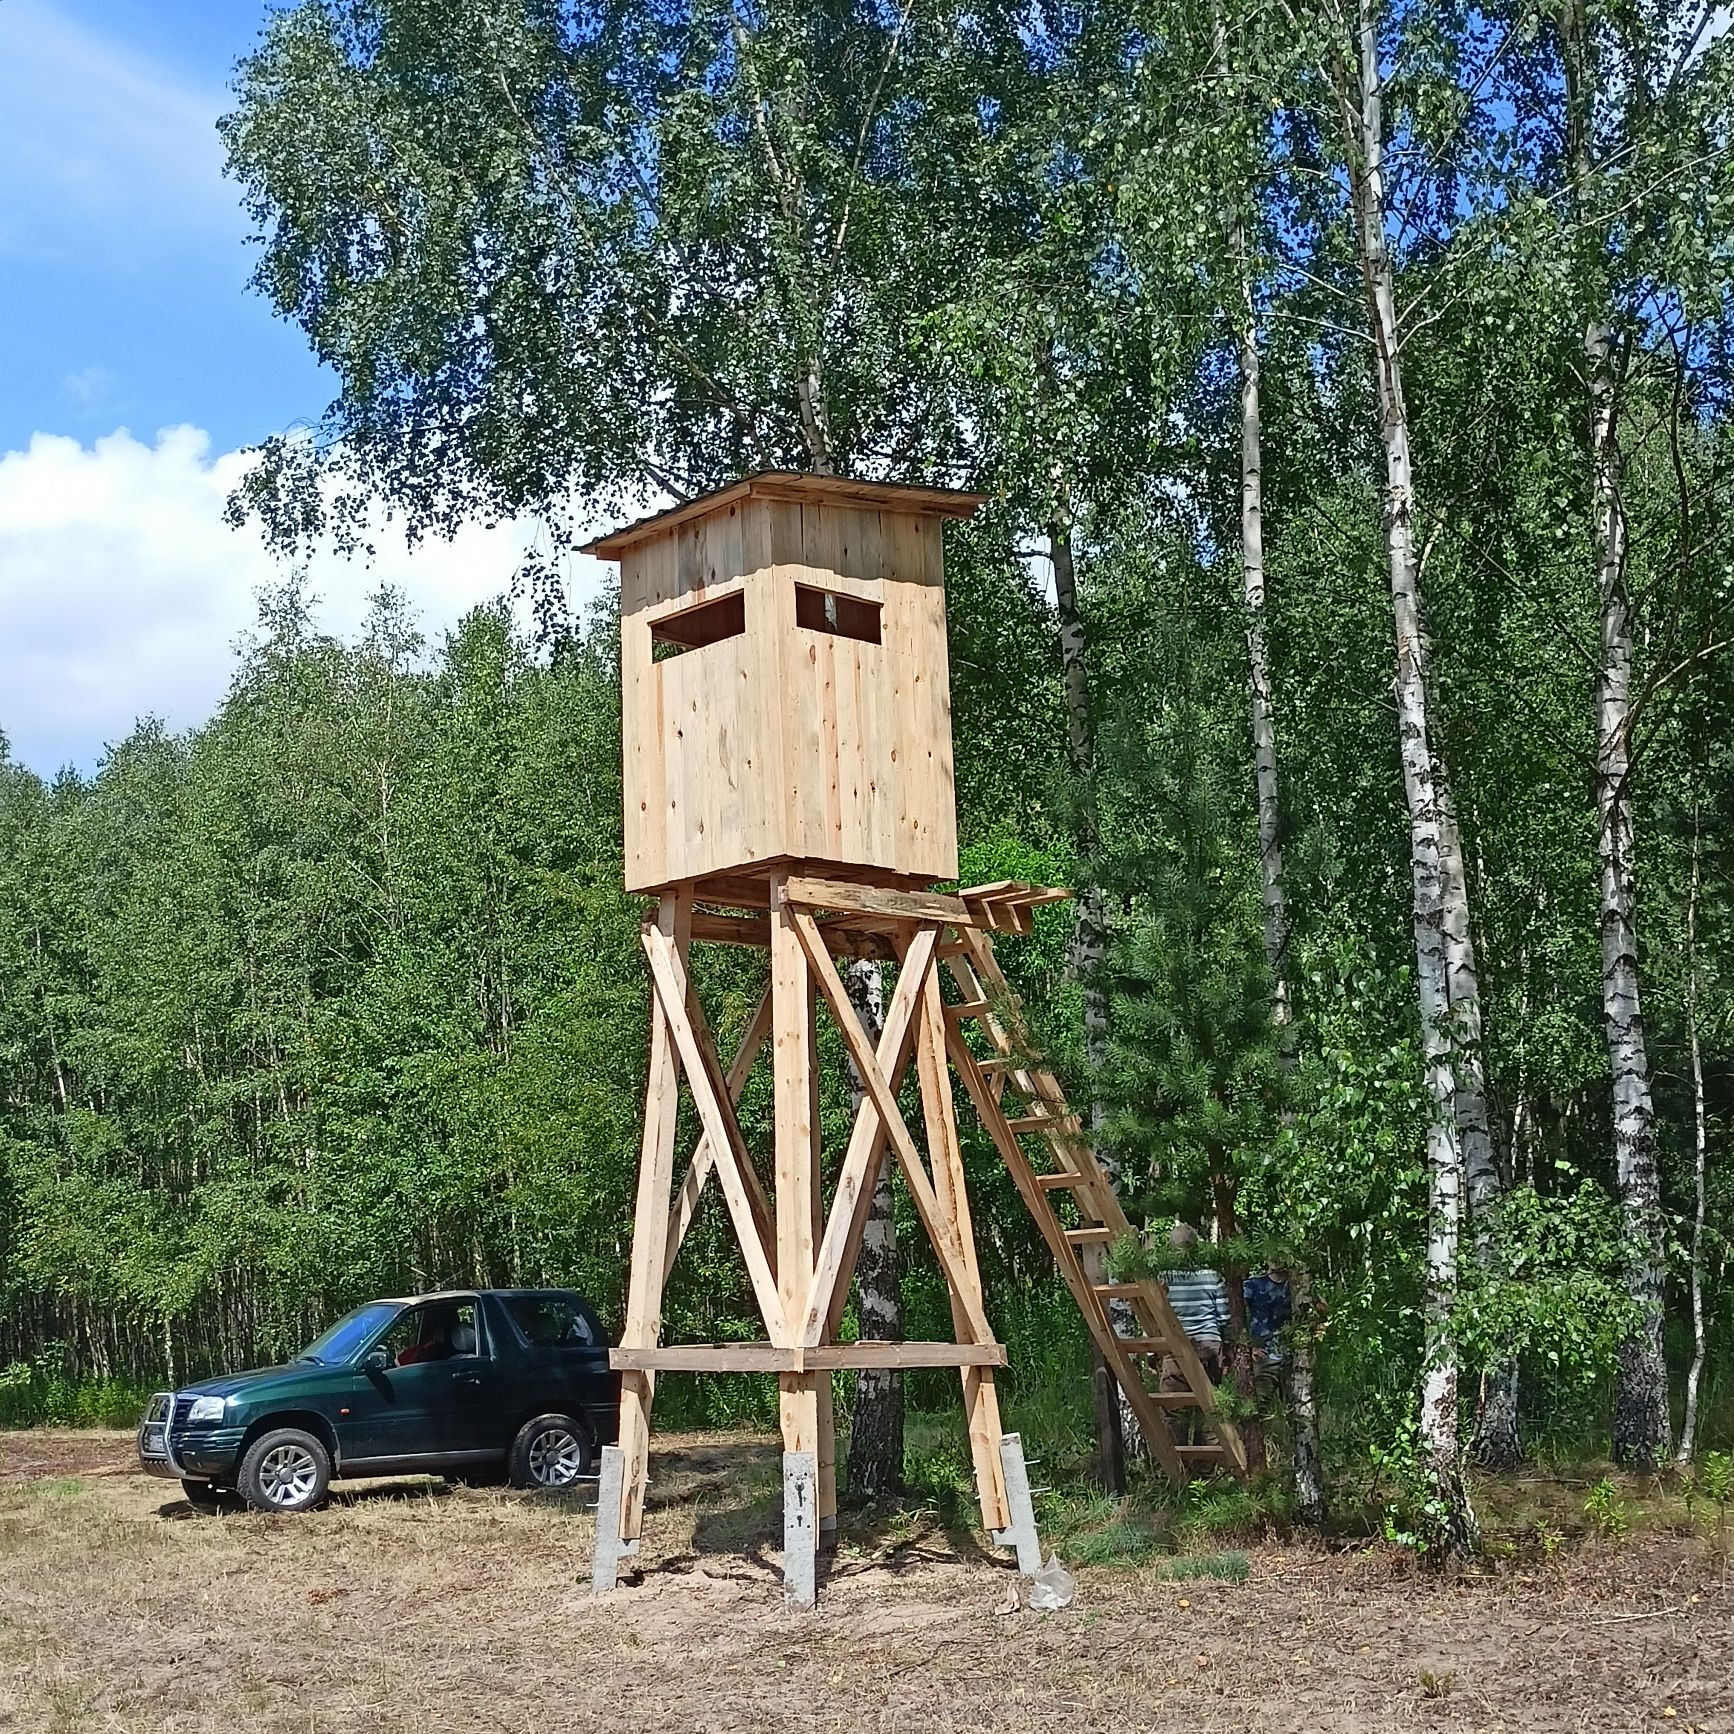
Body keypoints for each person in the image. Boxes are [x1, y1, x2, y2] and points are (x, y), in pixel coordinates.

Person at [1160, 1221, 1230, 1397]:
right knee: (1210, 1406)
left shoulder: (1164, 1279)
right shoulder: (1213, 1276)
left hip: (1176, 1346)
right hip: (1209, 1346)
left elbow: (1157, 1315)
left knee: (1175, 1409)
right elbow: (1223, 1317)